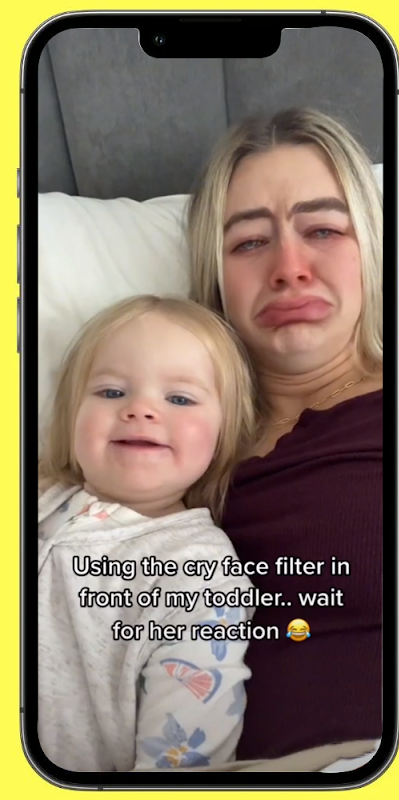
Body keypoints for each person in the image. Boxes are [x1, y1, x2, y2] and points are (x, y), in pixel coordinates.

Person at [188, 108, 383, 769]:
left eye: (323, 229)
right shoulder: (168, 441)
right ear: (214, 276)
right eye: (249, 243)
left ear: (372, 247)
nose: (289, 268)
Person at [38, 294, 259, 772]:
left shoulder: (199, 570)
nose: (140, 409)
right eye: (111, 392)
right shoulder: (38, 500)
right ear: (72, 416)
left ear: (223, 434)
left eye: (179, 399)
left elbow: (185, 758)